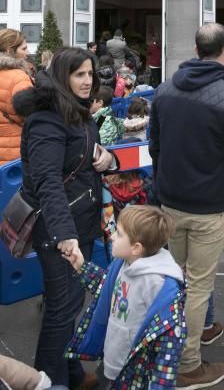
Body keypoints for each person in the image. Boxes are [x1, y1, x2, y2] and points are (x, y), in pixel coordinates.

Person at [149, 22, 224, 389]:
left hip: (171, 200)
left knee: (176, 279)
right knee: (197, 285)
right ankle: (187, 364)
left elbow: (155, 147)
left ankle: (187, 337)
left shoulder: (164, 90)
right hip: (209, 204)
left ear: (196, 50)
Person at [13, 47, 118, 387]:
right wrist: (64, 235)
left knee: (70, 304)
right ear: (63, 77)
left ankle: (69, 373)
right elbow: (46, 181)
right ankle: (47, 380)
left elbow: (82, 157)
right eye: (79, 75)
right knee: (61, 308)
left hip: (79, 219)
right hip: (59, 228)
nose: (88, 82)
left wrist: (108, 159)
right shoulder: (48, 119)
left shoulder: (75, 109)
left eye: (90, 74)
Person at [62, 205, 186, 389]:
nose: (112, 236)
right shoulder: (123, 264)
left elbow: (169, 340)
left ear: (136, 248)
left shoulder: (157, 284)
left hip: (134, 372)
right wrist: (81, 266)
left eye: (119, 234)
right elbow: (107, 289)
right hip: (112, 357)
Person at [0, 29, 33, 165]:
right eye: (24, 49)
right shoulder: (19, 77)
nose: (28, 53)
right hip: (14, 156)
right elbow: (31, 115)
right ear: (9, 51)